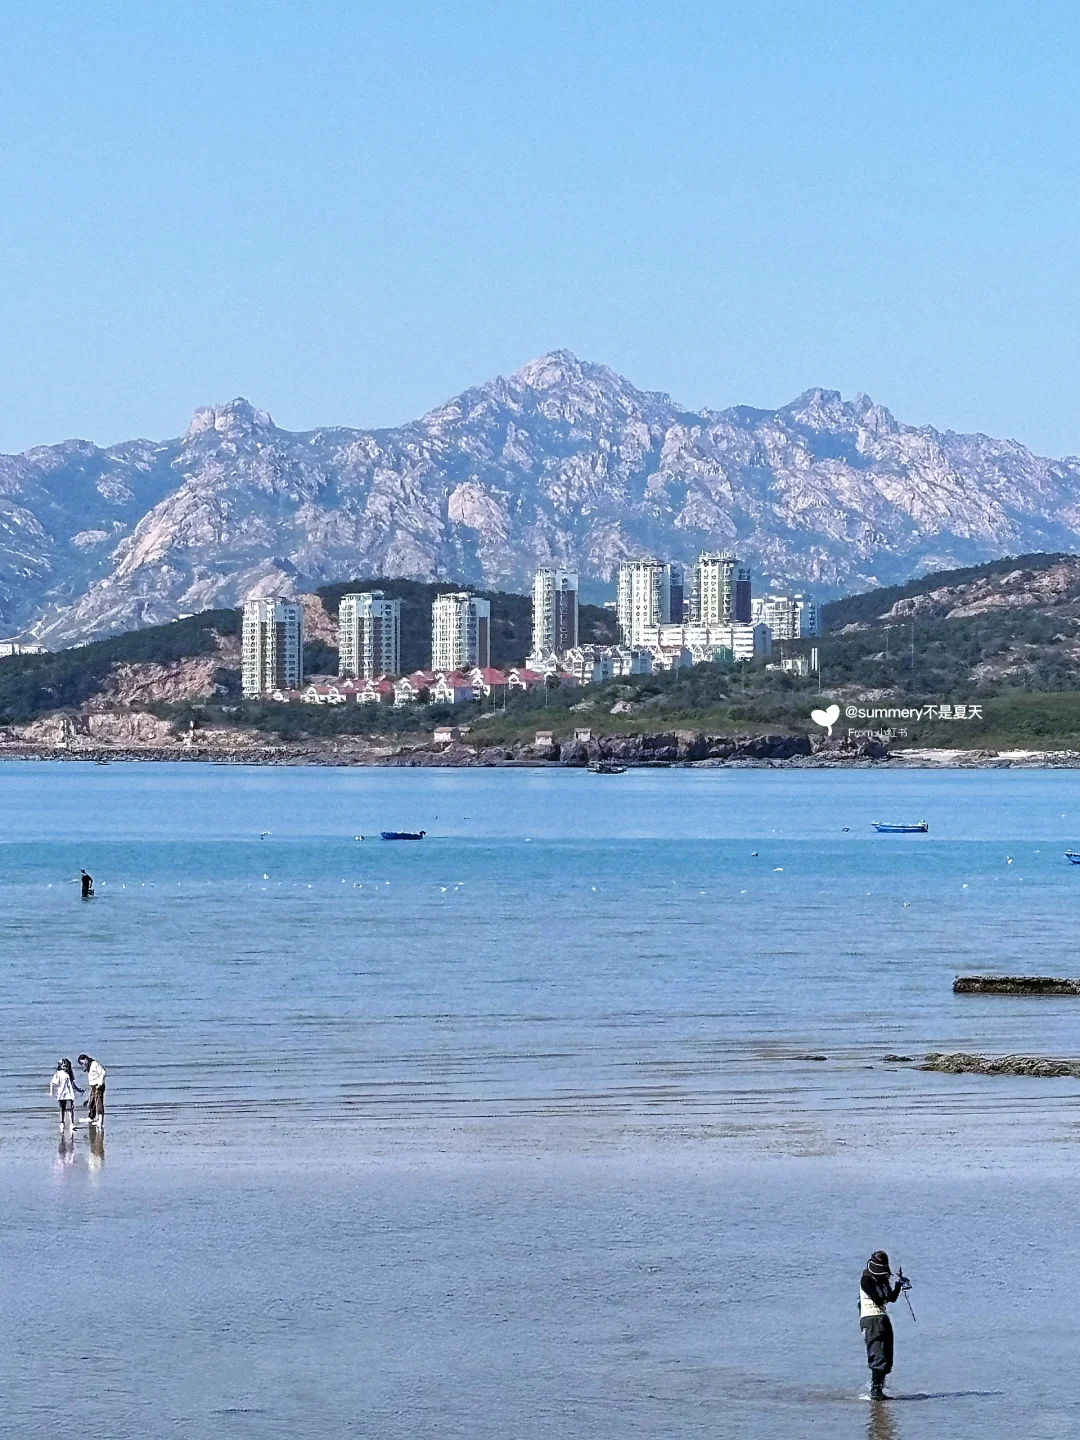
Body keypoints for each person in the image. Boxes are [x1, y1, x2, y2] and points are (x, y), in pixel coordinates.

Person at [859, 1251, 902, 1400]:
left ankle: (880, 1390)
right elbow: (878, 1299)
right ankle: (875, 1392)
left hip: (883, 1318)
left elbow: (891, 1298)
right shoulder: (866, 1280)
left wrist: (899, 1285)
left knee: (888, 1359)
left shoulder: (882, 1280)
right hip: (870, 1319)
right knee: (877, 1357)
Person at [49, 1058, 83, 1133]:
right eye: (64, 1066)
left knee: (70, 1109)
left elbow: (72, 1084)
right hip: (61, 1094)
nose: (65, 1067)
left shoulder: (69, 1074)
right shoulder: (58, 1074)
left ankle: (71, 1123)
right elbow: (53, 1083)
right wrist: (52, 1091)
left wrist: (78, 1089)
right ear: (60, 1066)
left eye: (66, 1066)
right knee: (62, 1109)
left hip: (69, 1094)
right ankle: (62, 1123)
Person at [78, 1053, 106, 1125]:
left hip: (98, 1085)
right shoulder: (88, 1067)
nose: (82, 1064)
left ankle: (100, 1120)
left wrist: (100, 1083)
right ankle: (91, 1117)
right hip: (93, 1086)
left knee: (99, 1102)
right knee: (92, 1102)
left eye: (82, 1062)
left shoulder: (94, 1064)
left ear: (86, 1059)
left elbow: (103, 1072)